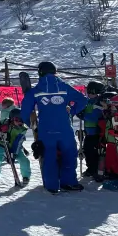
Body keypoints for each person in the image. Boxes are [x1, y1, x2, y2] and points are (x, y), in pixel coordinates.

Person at [21, 61, 86, 193]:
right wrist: (72, 111)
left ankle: (51, 185)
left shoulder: (36, 90)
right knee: (69, 154)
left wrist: (31, 124)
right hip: (64, 128)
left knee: (49, 156)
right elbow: (83, 99)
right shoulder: (64, 86)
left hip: (46, 129)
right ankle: (68, 182)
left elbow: (25, 111)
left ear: (40, 73)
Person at [0, 108, 31, 186]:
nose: (19, 122)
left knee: (24, 161)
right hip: (2, 145)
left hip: (16, 148)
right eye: (17, 119)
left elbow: (17, 143)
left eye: (22, 120)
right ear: (11, 118)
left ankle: (26, 176)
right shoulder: (4, 122)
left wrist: (13, 155)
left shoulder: (23, 129)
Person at [79, 81, 105, 177]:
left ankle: (94, 169)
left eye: (90, 92)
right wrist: (81, 112)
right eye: (88, 92)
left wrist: (83, 115)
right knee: (87, 150)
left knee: (92, 151)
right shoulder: (88, 101)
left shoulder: (98, 103)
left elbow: (94, 117)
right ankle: (91, 168)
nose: (88, 94)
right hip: (88, 131)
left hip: (96, 132)